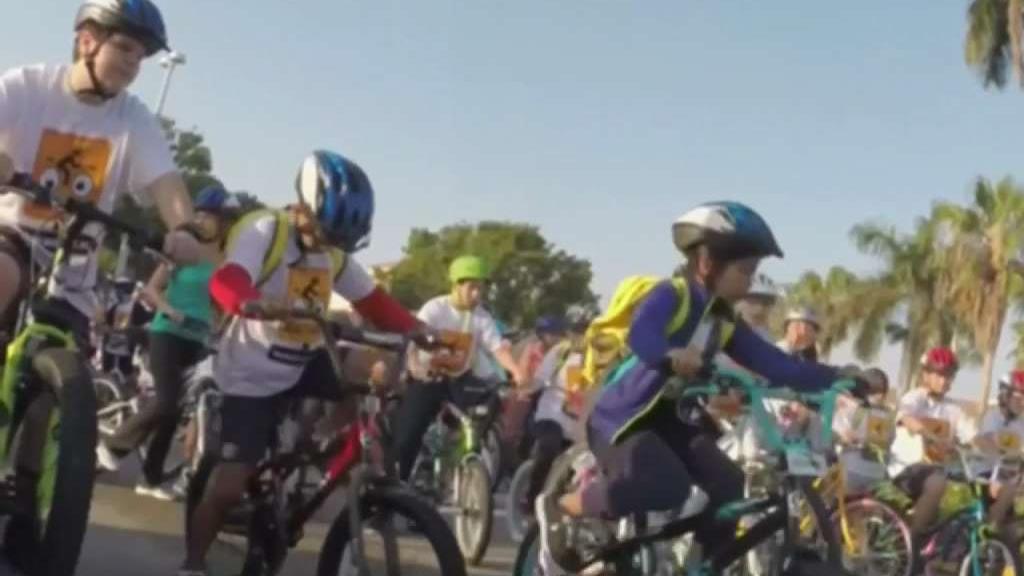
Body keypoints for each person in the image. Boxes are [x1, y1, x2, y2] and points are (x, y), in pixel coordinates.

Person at [536, 201, 860, 571]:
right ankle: (562, 506)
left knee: (729, 482)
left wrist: (844, 378)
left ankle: (703, 566)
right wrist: (669, 354)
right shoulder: (672, 295)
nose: (750, 282)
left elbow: (776, 364)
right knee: (666, 485)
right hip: (621, 419)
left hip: (668, 420)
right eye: (745, 271)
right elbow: (642, 334)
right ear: (707, 263)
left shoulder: (724, 321)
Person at [0, 0, 199, 554]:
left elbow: (166, 182)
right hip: (14, 237)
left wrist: (184, 226)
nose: (135, 64)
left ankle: (25, 510)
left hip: (76, 270)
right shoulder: (28, 87)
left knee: (54, 392)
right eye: (126, 49)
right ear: (87, 40)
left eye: (142, 55)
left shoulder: (132, 118)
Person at [181, 151, 428, 576]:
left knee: (369, 371)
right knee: (228, 486)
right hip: (251, 374)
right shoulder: (265, 230)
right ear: (300, 210)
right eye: (326, 232)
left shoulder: (332, 256)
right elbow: (230, 276)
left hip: (305, 360)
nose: (330, 245)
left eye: (340, 240)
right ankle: (193, 562)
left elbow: (374, 303)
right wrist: (248, 301)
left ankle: (323, 447)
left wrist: (423, 332)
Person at [97, 186, 241, 500]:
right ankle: (113, 445)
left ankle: (149, 479)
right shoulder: (185, 248)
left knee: (174, 411)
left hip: (198, 338)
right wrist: (170, 310)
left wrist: (223, 325)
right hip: (167, 333)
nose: (206, 221)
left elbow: (224, 303)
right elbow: (151, 289)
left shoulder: (227, 260)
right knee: (165, 401)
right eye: (203, 215)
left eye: (216, 218)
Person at [391, 255, 528, 482]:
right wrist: (422, 364)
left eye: (480, 288)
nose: (477, 294)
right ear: (456, 285)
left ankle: (464, 453)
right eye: (472, 288)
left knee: (492, 399)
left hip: (459, 380)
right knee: (407, 437)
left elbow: (497, 348)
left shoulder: (482, 317)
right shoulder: (435, 308)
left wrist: (517, 371)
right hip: (428, 379)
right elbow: (416, 338)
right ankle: (398, 485)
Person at [890, 347, 976, 536]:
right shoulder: (915, 397)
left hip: (935, 469)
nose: (944, 380)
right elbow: (906, 417)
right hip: (906, 469)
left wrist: (983, 445)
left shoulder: (954, 409)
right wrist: (928, 434)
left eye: (949, 376)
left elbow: (972, 436)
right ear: (926, 375)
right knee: (938, 483)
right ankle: (913, 538)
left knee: (974, 486)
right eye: (938, 375)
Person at [973, 369, 1024, 542]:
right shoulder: (992, 417)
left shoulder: (1021, 424)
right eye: (1019, 397)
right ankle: (985, 531)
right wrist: (997, 475)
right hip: (986, 476)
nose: (1022, 402)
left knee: (1010, 538)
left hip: (1007, 478)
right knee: (996, 528)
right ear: (1005, 396)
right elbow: (987, 445)